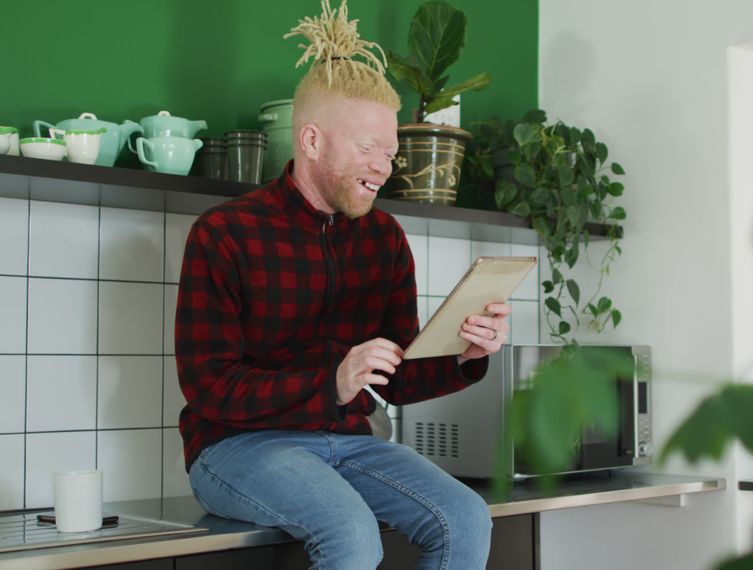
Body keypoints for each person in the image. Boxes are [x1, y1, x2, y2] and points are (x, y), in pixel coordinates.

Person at [174, 2, 507, 568]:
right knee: (351, 530)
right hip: (236, 448)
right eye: (366, 148)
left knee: (466, 516)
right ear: (310, 140)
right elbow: (208, 386)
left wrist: (465, 354)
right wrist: (330, 381)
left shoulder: (384, 237)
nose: (383, 167)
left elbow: (396, 378)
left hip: (349, 442)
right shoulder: (225, 233)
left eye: (391, 152)